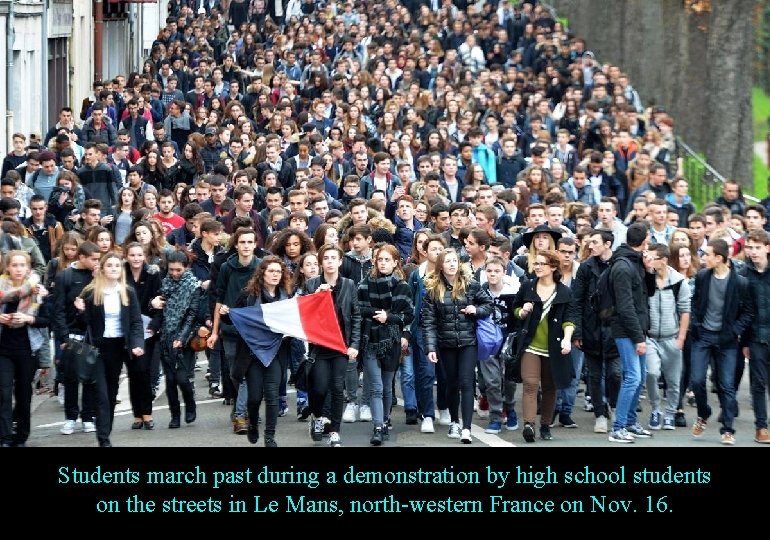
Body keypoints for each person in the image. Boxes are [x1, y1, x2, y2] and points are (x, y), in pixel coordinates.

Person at [422, 247, 493, 444]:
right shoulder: (433, 289)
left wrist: (476, 309)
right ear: (441, 266)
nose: (452, 264)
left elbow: (488, 305)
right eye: (448, 261)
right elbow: (428, 321)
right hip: (446, 343)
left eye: (455, 261)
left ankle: (467, 428)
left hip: (468, 341)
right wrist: (430, 348)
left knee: (466, 382)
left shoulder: (470, 284)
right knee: (451, 383)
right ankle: (455, 421)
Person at [77, 252, 145, 447]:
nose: (114, 268)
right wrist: (80, 311)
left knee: (111, 391)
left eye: (117, 265)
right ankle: (104, 440)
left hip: (118, 346)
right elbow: (82, 324)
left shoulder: (127, 292)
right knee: (102, 395)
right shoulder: (91, 293)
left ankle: (105, 430)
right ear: (103, 269)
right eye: (110, 265)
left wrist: (137, 343)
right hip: (98, 347)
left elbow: (135, 322)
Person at [225, 256, 293, 447]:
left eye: (278, 272)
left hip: (276, 354)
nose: (275, 275)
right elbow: (233, 319)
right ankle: (253, 423)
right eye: (271, 271)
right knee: (254, 397)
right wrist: (227, 313)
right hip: (253, 355)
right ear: (262, 273)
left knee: (272, 397)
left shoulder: (286, 297)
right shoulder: (248, 295)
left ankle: (270, 436)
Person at [689, 238, 751, 445]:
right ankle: (703, 412)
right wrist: (696, 325)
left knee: (726, 385)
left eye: (707, 254)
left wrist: (734, 331)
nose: (703, 258)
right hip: (703, 336)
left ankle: (727, 428)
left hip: (727, 340)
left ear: (719, 258)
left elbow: (747, 312)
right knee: (697, 380)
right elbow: (695, 302)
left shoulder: (740, 282)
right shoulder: (702, 276)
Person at [511, 249, 576, 443]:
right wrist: (522, 312)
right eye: (535, 263)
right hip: (530, 345)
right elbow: (514, 308)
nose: (537, 267)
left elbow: (570, 318)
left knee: (550, 387)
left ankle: (546, 425)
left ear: (553, 267)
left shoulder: (564, 291)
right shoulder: (528, 287)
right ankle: (529, 425)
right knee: (530, 384)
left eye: (542, 264)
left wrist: (567, 338)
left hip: (554, 347)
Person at [303, 243, 361, 447]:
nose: (329, 262)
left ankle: (335, 430)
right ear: (320, 262)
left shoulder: (349, 284)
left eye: (333, 258)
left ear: (340, 261)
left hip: (340, 346)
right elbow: (304, 313)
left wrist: (354, 344)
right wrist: (317, 295)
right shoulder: (311, 284)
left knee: (337, 388)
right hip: (319, 346)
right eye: (325, 258)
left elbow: (355, 316)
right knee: (319, 388)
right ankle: (318, 417)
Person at [357, 244, 414, 445]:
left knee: (388, 386)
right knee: (376, 387)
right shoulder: (365, 284)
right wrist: (376, 314)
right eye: (380, 259)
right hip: (371, 339)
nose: (382, 263)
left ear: (396, 262)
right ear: (375, 261)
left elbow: (408, 315)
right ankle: (378, 426)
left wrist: (388, 317)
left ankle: (386, 419)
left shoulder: (402, 286)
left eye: (387, 259)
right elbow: (358, 309)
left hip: (392, 340)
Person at [607, 221, 657, 443]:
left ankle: (630, 422)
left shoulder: (637, 262)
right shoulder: (622, 267)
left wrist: (649, 271)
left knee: (640, 377)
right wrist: (638, 338)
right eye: (649, 236)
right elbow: (625, 307)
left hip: (638, 328)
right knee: (632, 377)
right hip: (626, 330)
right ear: (645, 239)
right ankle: (617, 428)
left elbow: (649, 292)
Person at [571, 229, 621, 434]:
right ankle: (600, 414)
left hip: (615, 330)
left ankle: (616, 407)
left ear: (607, 244)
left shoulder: (620, 265)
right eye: (589, 242)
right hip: (590, 329)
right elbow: (576, 301)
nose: (590, 246)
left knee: (615, 374)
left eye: (594, 242)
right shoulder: (585, 268)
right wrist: (577, 333)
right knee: (594, 375)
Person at [0, 251, 51, 447]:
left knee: (23, 394)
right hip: (3, 349)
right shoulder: (1, 287)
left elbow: (46, 320)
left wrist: (29, 318)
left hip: (26, 350)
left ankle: (21, 436)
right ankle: (4, 437)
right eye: (15, 265)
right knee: (3, 393)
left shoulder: (36, 290)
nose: (19, 269)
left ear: (28, 268)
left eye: (22, 265)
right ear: (7, 268)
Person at [53, 241, 101, 436]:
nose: (97, 263)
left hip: (92, 334)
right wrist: (63, 337)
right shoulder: (65, 276)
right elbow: (58, 309)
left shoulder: (98, 275)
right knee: (71, 378)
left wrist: (99, 279)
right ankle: (71, 418)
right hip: (72, 335)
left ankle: (88, 417)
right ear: (82, 258)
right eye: (94, 259)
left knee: (90, 378)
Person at [152, 250, 203, 429]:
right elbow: (158, 310)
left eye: (178, 270)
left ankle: (190, 405)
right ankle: (175, 416)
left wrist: (181, 337)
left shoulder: (193, 285)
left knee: (182, 378)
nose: (174, 273)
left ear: (186, 268)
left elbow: (192, 314)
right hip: (165, 335)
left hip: (186, 336)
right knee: (170, 380)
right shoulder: (164, 284)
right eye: (171, 269)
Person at [644, 243, 691, 431]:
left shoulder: (679, 281)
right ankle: (656, 409)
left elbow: (685, 311)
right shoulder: (647, 279)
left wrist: (681, 338)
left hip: (671, 337)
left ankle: (671, 413)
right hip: (651, 337)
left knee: (673, 380)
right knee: (652, 372)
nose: (649, 261)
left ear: (663, 260)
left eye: (652, 258)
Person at [124, 242, 162, 429]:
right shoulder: (121, 272)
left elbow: (161, 301)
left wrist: (155, 326)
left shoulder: (153, 274)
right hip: (127, 329)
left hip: (148, 330)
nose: (136, 258)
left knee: (143, 370)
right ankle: (137, 415)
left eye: (139, 255)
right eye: (132, 255)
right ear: (126, 256)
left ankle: (147, 413)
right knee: (133, 372)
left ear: (145, 256)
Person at [742, 229, 770, 443]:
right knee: (758, 383)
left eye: (758, 247)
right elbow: (742, 310)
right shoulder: (744, 274)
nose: (753, 252)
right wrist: (744, 341)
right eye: (750, 247)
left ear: (767, 248)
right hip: (756, 337)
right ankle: (761, 426)